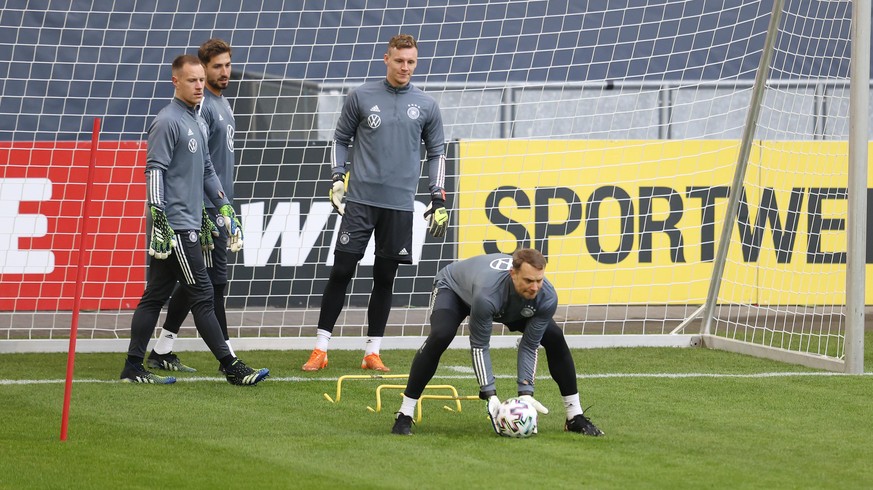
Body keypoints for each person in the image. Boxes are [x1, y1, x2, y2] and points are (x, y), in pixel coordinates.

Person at [302, 33, 448, 373]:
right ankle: (321, 348)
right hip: (360, 201)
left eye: (411, 61)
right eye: (399, 60)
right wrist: (337, 177)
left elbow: (437, 153)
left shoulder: (427, 105)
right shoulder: (361, 96)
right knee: (342, 271)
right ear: (387, 59)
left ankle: (372, 352)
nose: (405, 67)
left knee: (385, 277)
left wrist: (437, 196)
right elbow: (340, 139)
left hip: (399, 205)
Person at [119, 54, 267, 386]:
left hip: (191, 222)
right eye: (192, 80)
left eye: (201, 80)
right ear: (176, 82)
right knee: (202, 294)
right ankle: (231, 366)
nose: (199, 86)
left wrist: (224, 206)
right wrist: (158, 214)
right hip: (175, 225)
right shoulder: (167, 121)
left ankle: (133, 366)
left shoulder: (198, 120)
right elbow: (154, 169)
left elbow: (208, 172)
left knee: (156, 294)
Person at [390, 248, 604, 436]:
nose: (535, 287)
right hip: (455, 289)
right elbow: (479, 346)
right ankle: (405, 413)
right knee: (441, 335)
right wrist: (490, 393)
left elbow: (529, 346)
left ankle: (574, 416)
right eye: (528, 281)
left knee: (555, 337)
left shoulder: (546, 296)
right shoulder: (488, 294)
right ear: (513, 274)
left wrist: (526, 394)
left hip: (510, 303)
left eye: (539, 280)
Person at [146, 38, 240, 374]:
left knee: (198, 282)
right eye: (216, 67)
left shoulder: (222, 104)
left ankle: (163, 347)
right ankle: (227, 356)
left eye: (227, 65)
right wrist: (202, 210)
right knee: (208, 283)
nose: (223, 72)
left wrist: (225, 204)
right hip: (199, 212)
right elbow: (194, 167)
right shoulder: (202, 111)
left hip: (217, 205)